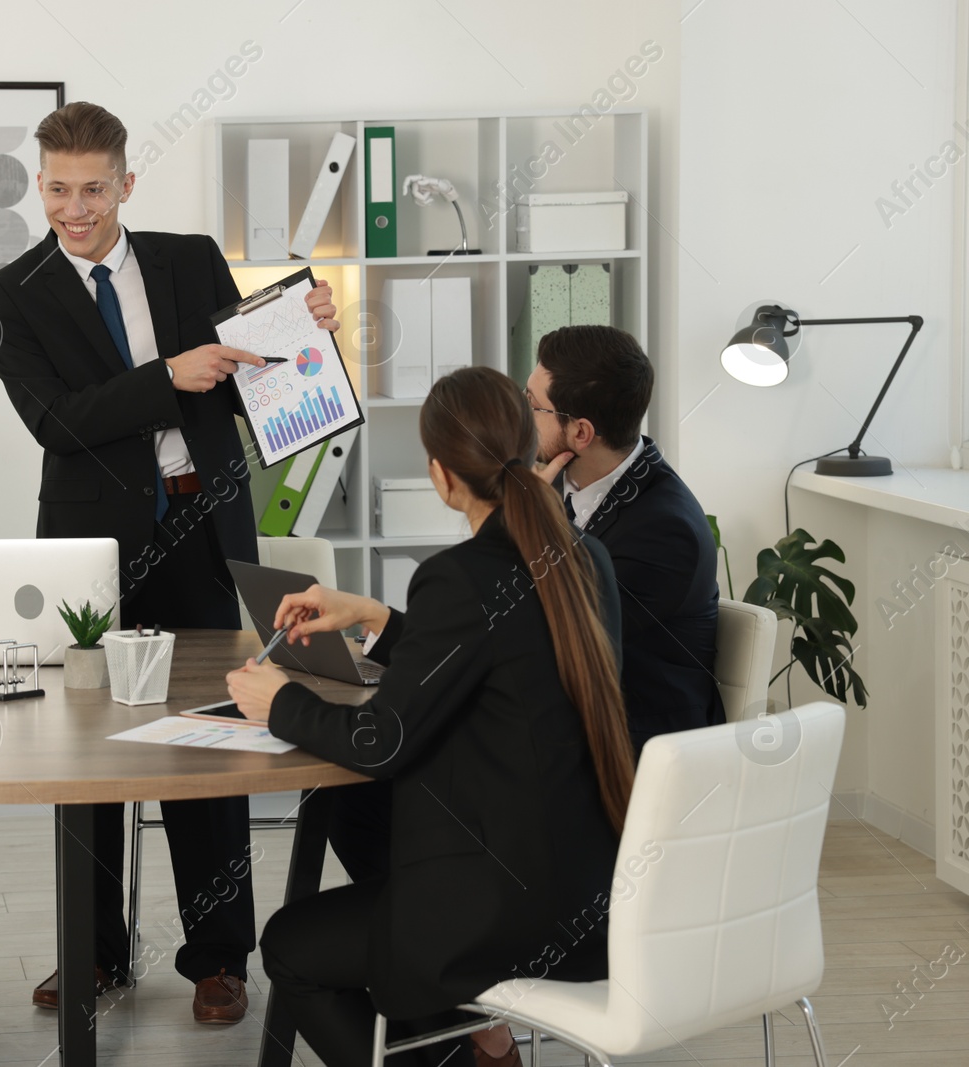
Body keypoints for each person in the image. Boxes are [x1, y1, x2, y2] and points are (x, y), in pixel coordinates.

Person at [0, 100, 339, 1022]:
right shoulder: (11, 290)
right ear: (41, 185)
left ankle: (219, 959)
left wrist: (308, 332)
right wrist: (164, 378)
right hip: (90, 551)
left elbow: (258, 378)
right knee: (89, 756)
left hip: (200, 528)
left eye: (93, 189)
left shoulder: (187, 260)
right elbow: (53, 422)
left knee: (207, 747)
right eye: (58, 189)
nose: (75, 208)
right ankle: (92, 954)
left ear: (125, 184)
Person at [227, 367, 635, 1067]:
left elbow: (379, 740)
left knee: (290, 946)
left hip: (500, 914)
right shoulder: (584, 554)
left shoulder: (460, 575)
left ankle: (457, 1042)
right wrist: (376, 619)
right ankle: (474, 1043)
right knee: (369, 831)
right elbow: (499, 655)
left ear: (441, 475)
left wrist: (278, 703)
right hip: (591, 897)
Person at [526, 325, 723, 755]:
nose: (520, 417)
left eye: (532, 406)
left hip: (638, 752)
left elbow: (552, 637)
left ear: (580, 433)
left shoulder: (667, 530)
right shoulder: (560, 483)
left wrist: (530, 523)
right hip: (570, 724)